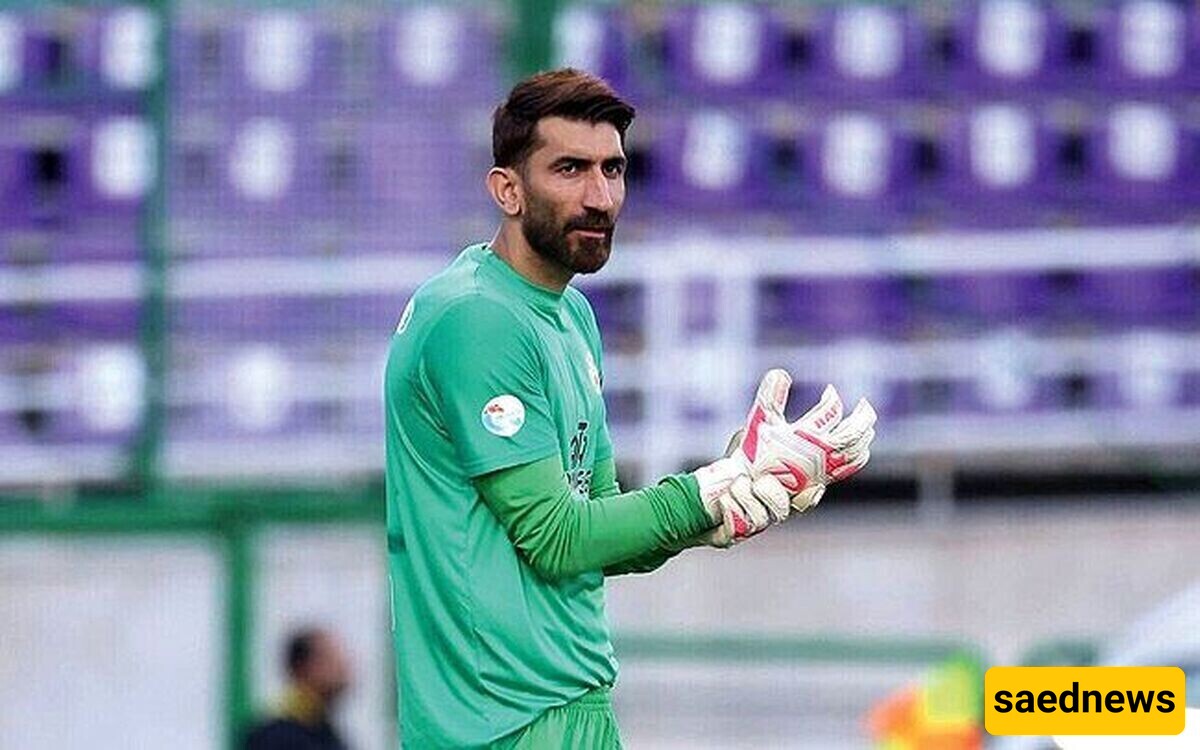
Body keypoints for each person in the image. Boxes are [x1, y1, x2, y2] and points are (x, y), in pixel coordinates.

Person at [383, 68, 877, 749]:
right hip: (497, 722)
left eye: (613, 170)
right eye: (569, 169)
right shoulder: (478, 319)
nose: (600, 196)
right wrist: (705, 493)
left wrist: (728, 500)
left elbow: (600, 528)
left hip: (572, 706)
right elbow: (556, 539)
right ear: (507, 189)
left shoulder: (571, 317)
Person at [244, 627, 352, 750]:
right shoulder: (274, 737)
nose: (344, 669)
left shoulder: (325, 731)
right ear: (303, 668)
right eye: (333, 661)